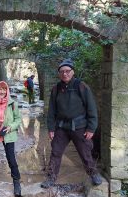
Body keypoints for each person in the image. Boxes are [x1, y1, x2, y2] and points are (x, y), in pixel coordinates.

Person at [41, 59, 102, 189]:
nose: (65, 74)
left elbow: (92, 108)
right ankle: (51, 178)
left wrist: (91, 128)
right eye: (62, 71)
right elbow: (51, 111)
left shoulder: (81, 86)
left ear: (73, 72)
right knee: (56, 152)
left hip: (79, 126)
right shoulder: (56, 89)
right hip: (61, 127)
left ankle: (93, 174)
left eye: (67, 71)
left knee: (85, 152)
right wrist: (51, 128)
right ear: (59, 73)